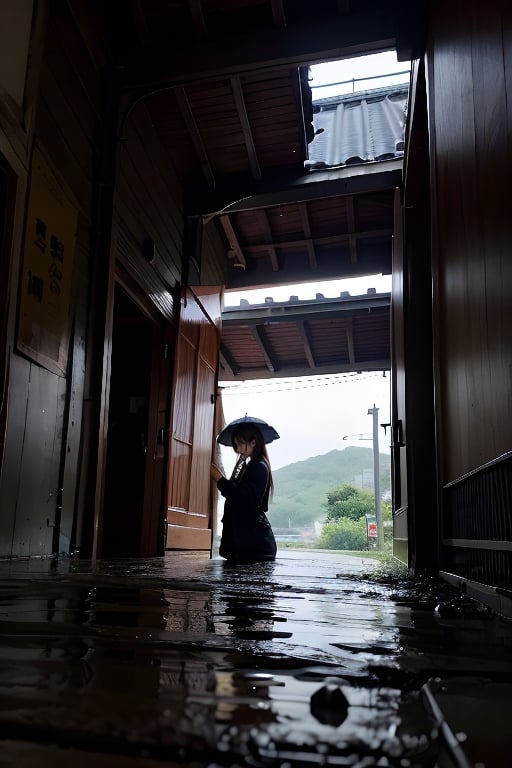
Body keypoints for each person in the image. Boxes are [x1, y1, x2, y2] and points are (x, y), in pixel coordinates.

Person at [211, 423, 277, 564]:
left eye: (240, 444)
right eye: (236, 445)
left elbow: (243, 500)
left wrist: (220, 480)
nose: (238, 449)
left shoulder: (259, 466)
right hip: (247, 545)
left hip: (253, 547)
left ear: (253, 443)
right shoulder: (251, 465)